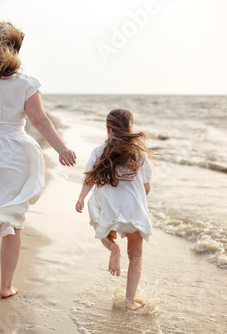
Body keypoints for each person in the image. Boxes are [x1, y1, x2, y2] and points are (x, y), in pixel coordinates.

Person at [0, 20, 76, 322]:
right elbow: (40, 121)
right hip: (16, 153)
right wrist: (62, 149)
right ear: (16, 48)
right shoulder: (26, 83)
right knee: (13, 221)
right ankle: (7, 286)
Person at [75, 108, 154, 311]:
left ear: (108, 129)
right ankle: (129, 301)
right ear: (130, 129)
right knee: (136, 255)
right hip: (133, 211)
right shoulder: (139, 153)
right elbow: (146, 187)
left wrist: (81, 198)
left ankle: (113, 247)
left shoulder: (98, 151)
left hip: (109, 209)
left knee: (103, 230)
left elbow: (89, 179)